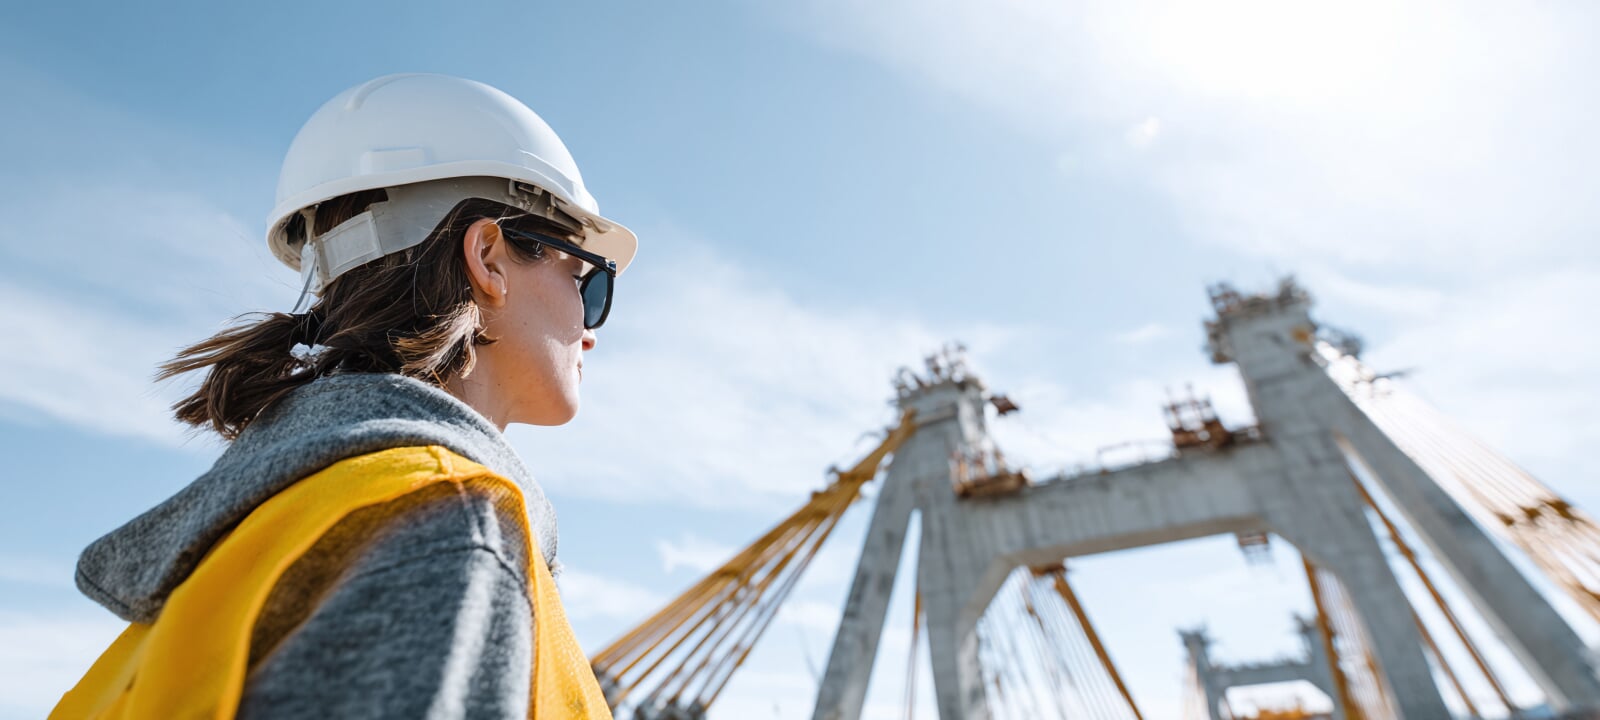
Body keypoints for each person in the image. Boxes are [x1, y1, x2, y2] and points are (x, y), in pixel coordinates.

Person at [52, 73, 635, 719]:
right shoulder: (440, 526)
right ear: (489, 257)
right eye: (587, 282)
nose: (589, 331)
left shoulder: (277, 517)